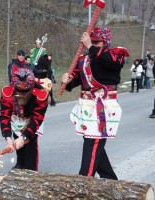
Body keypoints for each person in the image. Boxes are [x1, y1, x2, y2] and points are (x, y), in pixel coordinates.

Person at [61, 27, 129, 180]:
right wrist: (68, 80)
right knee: (93, 144)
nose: (94, 44)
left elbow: (111, 63)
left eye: (97, 42)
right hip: (86, 107)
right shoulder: (84, 59)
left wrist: (91, 46)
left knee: (92, 144)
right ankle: (111, 180)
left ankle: (84, 179)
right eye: (93, 41)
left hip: (103, 107)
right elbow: (78, 79)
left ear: (106, 42)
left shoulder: (116, 54)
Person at [0, 68, 48, 171]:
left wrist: (24, 136)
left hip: (31, 121)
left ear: (31, 88)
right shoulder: (8, 93)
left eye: (25, 92)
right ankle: (20, 163)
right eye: (19, 91)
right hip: (16, 119)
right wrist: (8, 138)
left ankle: (30, 170)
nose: (21, 95)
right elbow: (4, 116)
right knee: (18, 143)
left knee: (30, 146)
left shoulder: (40, 95)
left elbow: (37, 119)